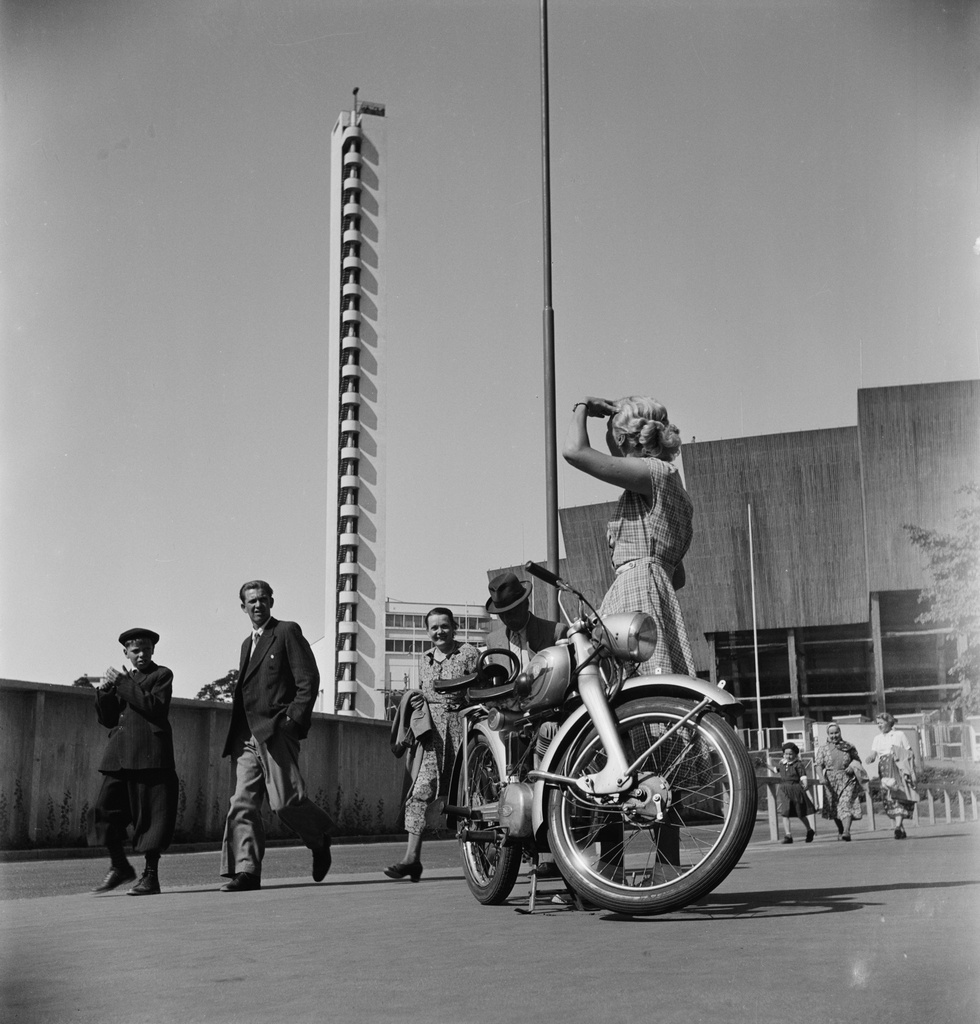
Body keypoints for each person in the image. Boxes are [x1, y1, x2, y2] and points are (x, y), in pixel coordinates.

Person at [562, 396, 695, 676]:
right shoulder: (670, 481)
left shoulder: (651, 472)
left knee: (634, 683)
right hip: (654, 586)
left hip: (636, 589)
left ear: (621, 438)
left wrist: (581, 406)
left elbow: (575, 451)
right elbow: (678, 577)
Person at [220, 580, 334, 891]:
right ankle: (247, 871)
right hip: (245, 735)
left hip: (275, 730)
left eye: (263, 599)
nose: (257, 605)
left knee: (285, 802)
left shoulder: (285, 631)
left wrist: (291, 722)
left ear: (272, 601)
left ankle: (319, 837)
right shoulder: (247, 643)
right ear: (243, 607)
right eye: (251, 601)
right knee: (241, 803)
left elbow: (308, 680)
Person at [384, 607, 479, 881]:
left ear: (454, 627)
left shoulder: (469, 653)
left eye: (444, 626)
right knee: (419, 794)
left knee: (470, 797)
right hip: (431, 737)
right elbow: (425, 691)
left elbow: (478, 689)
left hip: (462, 729)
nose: (439, 632)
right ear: (428, 631)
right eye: (434, 628)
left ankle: (487, 861)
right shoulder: (424, 658)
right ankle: (411, 859)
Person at [91, 628, 179, 896]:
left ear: (153, 651)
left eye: (146, 649)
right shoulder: (123, 680)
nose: (141, 655)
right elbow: (107, 719)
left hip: (151, 756)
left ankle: (150, 877)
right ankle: (120, 866)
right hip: (120, 757)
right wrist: (106, 692)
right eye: (135, 650)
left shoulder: (161, 675)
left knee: (151, 818)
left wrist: (121, 684)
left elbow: (154, 707)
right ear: (125, 653)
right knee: (102, 811)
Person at [865, 712, 918, 839]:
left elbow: (909, 752)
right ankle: (900, 828)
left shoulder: (899, 734)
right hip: (884, 768)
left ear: (889, 722)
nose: (879, 725)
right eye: (877, 723)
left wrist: (908, 770)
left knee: (899, 795)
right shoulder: (877, 738)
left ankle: (898, 827)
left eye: (881, 723)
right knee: (889, 797)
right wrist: (870, 758)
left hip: (898, 767)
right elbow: (874, 753)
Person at [814, 722, 863, 841]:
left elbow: (857, 761)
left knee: (845, 804)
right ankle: (841, 830)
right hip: (830, 782)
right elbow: (819, 765)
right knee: (835, 808)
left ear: (840, 732)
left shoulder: (849, 746)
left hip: (847, 779)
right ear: (828, 734)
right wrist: (821, 777)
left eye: (836, 732)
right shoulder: (823, 749)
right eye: (831, 733)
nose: (834, 735)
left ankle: (846, 831)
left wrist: (852, 766)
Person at [775, 742, 815, 844]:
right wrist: (765, 765)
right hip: (784, 789)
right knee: (785, 812)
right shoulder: (782, 763)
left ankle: (809, 830)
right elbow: (775, 770)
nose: (788, 756)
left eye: (790, 754)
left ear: (795, 754)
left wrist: (805, 782)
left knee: (800, 812)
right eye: (786, 754)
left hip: (795, 789)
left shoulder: (798, 764)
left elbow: (802, 775)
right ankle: (788, 835)